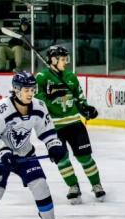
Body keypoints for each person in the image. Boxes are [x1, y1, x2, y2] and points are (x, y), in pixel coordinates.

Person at [0, 72, 67, 219]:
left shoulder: (39, 106)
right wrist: (3, 152)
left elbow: (47, 130)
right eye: (26, 90)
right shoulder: (1, 109)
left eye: (32, 89)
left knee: (40, 184)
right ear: (16, 90)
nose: (30, 93)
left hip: (24, 153)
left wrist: (54, 145)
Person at [35, 45, 105, 204]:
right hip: (54, 127)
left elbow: (79, 98)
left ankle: (96, 184)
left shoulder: (71, 76)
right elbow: (38, 101)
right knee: (62, 159)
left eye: (66, 58)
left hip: (74, 123)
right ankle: (73, 186)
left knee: (85, 157)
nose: (65, 61)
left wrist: (86, 110)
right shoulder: (42, 77)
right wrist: (52, 94)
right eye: (62, 58)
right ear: (53, 60)